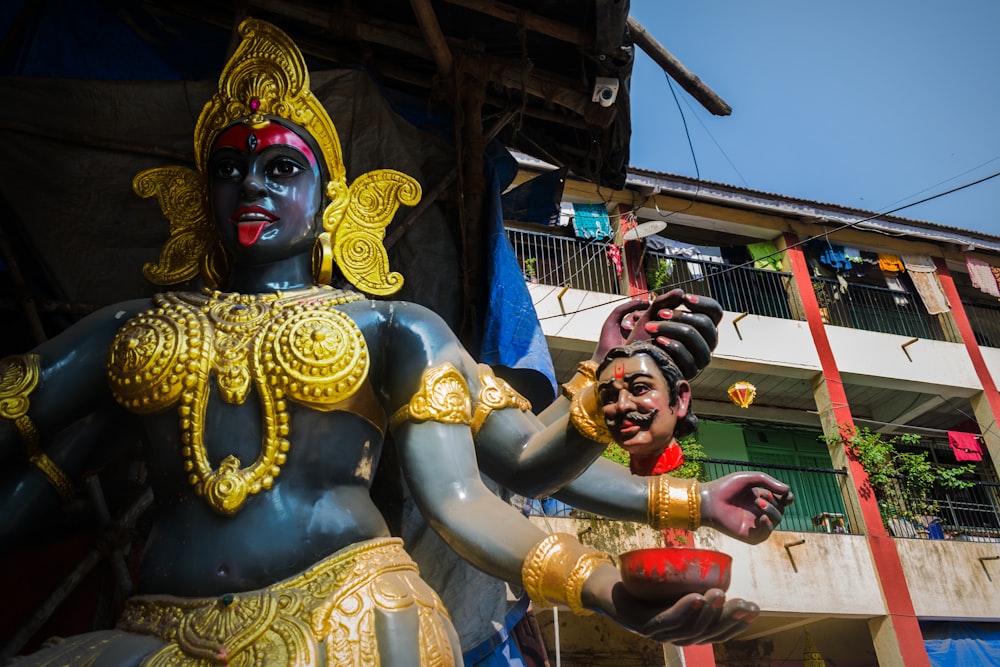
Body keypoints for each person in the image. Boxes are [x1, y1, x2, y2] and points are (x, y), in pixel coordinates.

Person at [0, 18, 791, 666]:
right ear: (200, 195)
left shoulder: (393, 327)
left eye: (282, 166)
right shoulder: (134, 329)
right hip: (159, 633)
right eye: (231, 168)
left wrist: (612, 573)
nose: (254, 185)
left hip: (344, 620)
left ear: (330, 195)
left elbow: (486, 482)